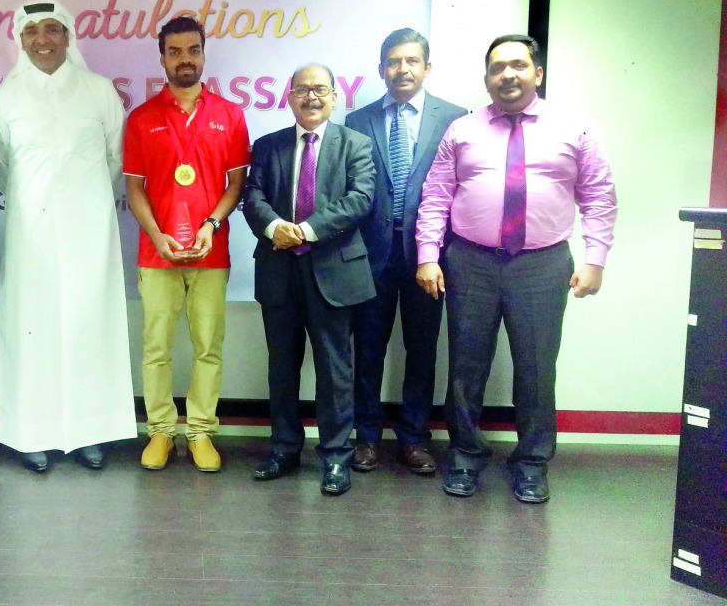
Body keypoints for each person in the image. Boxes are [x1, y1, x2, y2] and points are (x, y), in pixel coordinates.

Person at [415, 34, 617, 503]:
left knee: (536, 368)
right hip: (470, 261)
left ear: (537, 74)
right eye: (497, 67)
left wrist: (595, 260)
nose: (508, 74)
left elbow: (600, 196)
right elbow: (437, 196)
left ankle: (531, 462)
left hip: (543, 265)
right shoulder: (462, 130)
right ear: (486, 79)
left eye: (518, 65)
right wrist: (427, 255)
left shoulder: (574, 127)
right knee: (466, 366)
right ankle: (464, 457)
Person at [0, 0, 137, 473]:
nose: (43, 40)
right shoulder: (6, 97)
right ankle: (31, 435)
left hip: (90, 233)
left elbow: (116, 160)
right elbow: (3, 168)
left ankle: (89, 434)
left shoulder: (98, 92)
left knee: (86, 328)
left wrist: (81, 203)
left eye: (52, 29)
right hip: (29, 234)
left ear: (69, 36)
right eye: (32, 31)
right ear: (20, 39)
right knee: (31, 333)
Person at [123, 16, 249, 472]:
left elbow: (236, 185)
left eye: (192, 50)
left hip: (210, 252)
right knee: (156, 346)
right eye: (174, 52)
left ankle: (200, 432)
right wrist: (157, 235)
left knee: (207, 346)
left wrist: (210, 225)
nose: (184, 60)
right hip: (156, 254)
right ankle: (160, 431)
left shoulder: (230, 115)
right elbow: (134, 189)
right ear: (162, 58)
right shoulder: (140, 118)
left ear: (203, 53)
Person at [243, 63, 376, 496]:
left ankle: (337, 456)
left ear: (335, 97)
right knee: (281, 367)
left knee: (335, 369)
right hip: (279, 269)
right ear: (289, 96)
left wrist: (307, 229)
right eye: (302, 90)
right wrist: (273, 226)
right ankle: (283, 448)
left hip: (334, 270)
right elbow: (253, 196)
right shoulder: (268, 146)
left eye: (320, 89)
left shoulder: (356, 144)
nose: (311, 97)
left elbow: (361, 199)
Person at [344, 28, 467, 474]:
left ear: (427, 68)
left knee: (422, 350)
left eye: (412, 61)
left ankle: (415, 438)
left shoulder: (455, 118)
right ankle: (367, 437)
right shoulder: (358, 122)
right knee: (368, 350)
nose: (402, 69)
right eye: (393, 62)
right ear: (381, 70)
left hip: (428, 256)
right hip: (371, 255)